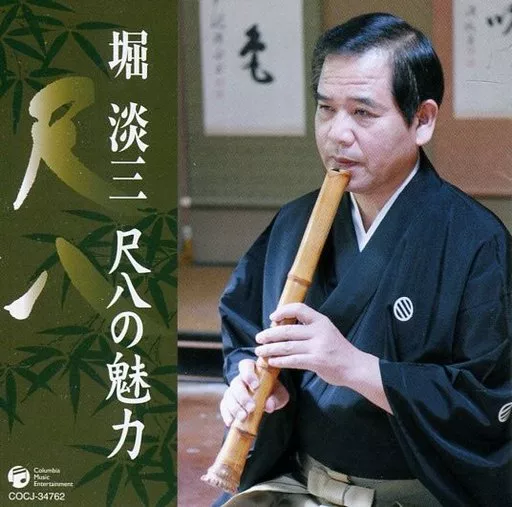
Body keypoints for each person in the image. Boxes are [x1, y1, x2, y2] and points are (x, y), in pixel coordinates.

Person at [213, 12, 511, 507]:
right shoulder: (295, 222)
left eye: (363, 113)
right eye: (326, 109)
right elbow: (244, 329)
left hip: (417, 497)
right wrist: (249, 378)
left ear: (422, 120)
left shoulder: (476, 241)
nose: (338, 133)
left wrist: (354, 367)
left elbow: (488, 401)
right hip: (301, 484)